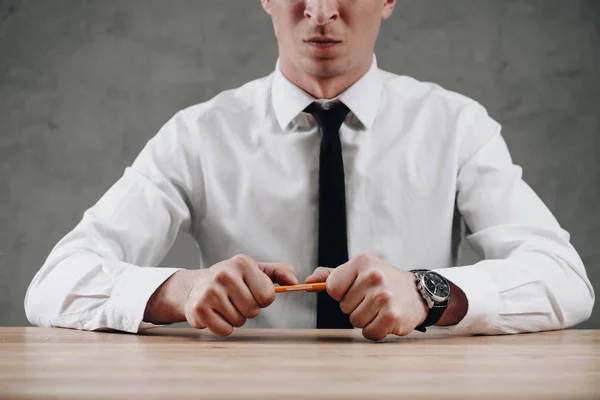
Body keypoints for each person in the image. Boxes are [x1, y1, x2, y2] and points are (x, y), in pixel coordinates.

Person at [25, 0, 594, 341]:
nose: (320, 10)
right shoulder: (197, 134)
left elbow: (565, 280)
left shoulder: (456, 126)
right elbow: (54, 285)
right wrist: (180, 290)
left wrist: (428, 293)